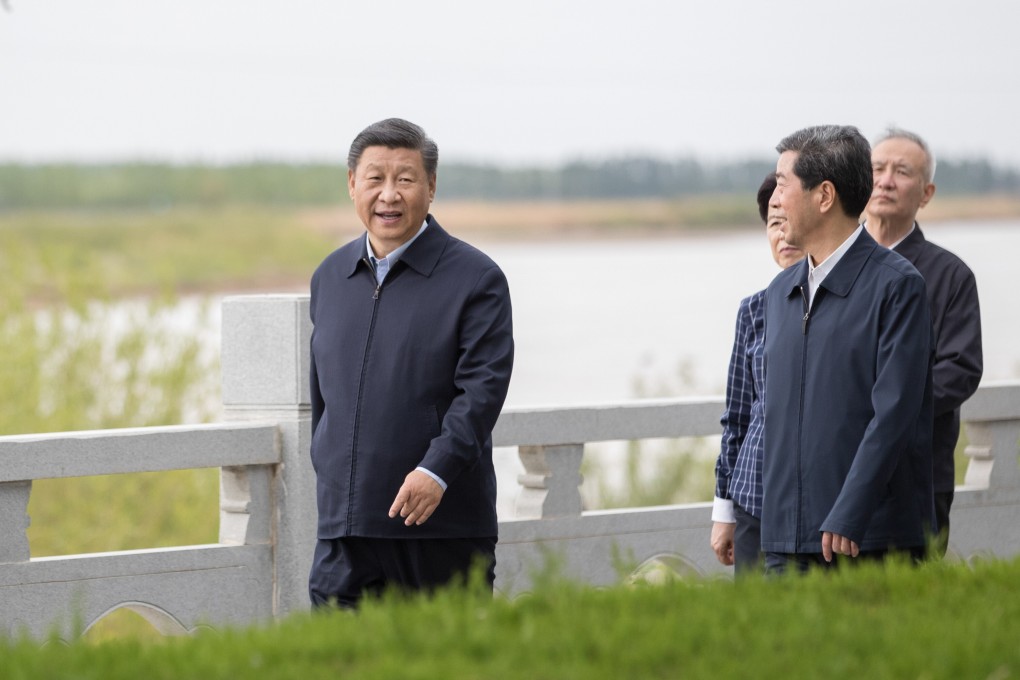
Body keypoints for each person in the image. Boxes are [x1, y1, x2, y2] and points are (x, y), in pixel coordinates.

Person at [307, 118, 515, 607]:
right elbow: (323, 397)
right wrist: (330, 473)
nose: (389, 195)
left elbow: (482, 392)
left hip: (440, 530)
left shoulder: (476, 279)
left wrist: (436, 471)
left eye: (405, 178)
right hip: (345, 532)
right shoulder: (330, 277)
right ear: (352, 184)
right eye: (375, 178)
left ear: (431, 186)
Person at [761, 124, 935, 574]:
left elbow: (894, 415)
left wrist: (849, 512)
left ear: (824, 196)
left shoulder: (897, 287)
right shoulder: (779, 293)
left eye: (782, 185)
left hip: (864, 540)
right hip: (786, 543)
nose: (773, 200)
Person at [863, 128, 983, 555]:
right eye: (877, 169)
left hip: (916, 477)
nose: (886, 180)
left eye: (902, 171)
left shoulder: (950, 276)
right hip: (837, 474)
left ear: (926, 193)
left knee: (909, 605)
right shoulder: (833, 267)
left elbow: (960, 371)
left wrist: (882, 410)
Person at [711, 172, 803, 575]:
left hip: (810, 507)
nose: (784, 235)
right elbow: (737, 417)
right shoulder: (754, 310)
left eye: (790, 221)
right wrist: (723, 508)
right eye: (773, 224)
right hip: (752, 496)